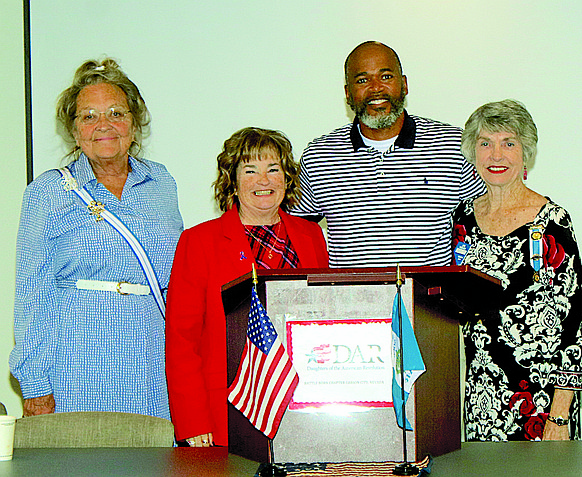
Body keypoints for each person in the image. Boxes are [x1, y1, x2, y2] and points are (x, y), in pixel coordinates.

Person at [10, 58, 183, 419]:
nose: (103, 125)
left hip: (154, 361)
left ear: (134, 124)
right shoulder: (47, 192)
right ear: (74, 131)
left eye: (116, 113)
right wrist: (36, 384)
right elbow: (31, 292)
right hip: (77, 361)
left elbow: (176, 279)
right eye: (88, 116)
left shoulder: (162, 183)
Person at [165, 127, 329, 447]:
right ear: (233, 181)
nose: (263, 181)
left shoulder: (311, 237)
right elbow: (181, 341)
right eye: (250, 170)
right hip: (225, 413)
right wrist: (193, 420)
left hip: (303, 407)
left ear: (287, 177)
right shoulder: (198, 243)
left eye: (273, 169)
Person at [452, 99, 582, 441]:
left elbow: (575, 320)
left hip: (543, 405)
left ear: (525, 153)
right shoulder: (463, 218)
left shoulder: (553, 221)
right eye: (486, 144)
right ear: (473, 152)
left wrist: (559, 415)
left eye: (508, 144)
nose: (496, 156)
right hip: (481, 399)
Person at [291, 40, 485, 267]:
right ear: (348, 93)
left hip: (427, 300)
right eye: (362, 80)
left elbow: (492, 214)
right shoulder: (319, 156)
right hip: (350, 301)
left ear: (404, 84)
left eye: (386, 77)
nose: (376, 88)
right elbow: (291, 230)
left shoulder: (453, 145)